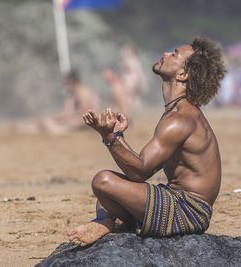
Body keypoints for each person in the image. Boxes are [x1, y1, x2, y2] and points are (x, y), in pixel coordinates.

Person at [67, 37, 226, 246]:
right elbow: (140, 165)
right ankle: (109, 221)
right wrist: (117, 136)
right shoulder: (178, 112)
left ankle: (106, 223)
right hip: (179, 201)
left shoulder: (179, 119)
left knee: (103, 181)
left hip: (188, 211)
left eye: (174, 54)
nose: (167, 53)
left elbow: (139, 172)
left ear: (183, 74)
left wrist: (108, 136)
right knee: (106, 198)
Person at [15, 70, 100, 135]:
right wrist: (59, 117)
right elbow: (68, 111)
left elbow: (84, 113)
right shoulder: (74, 93)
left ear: (71, 81)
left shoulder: (83, 92)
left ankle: (24, 128)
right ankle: (21, 128)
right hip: (76, 119)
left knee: (50, 125)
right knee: (44, 122)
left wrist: (65, 118)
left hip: (85, 122)